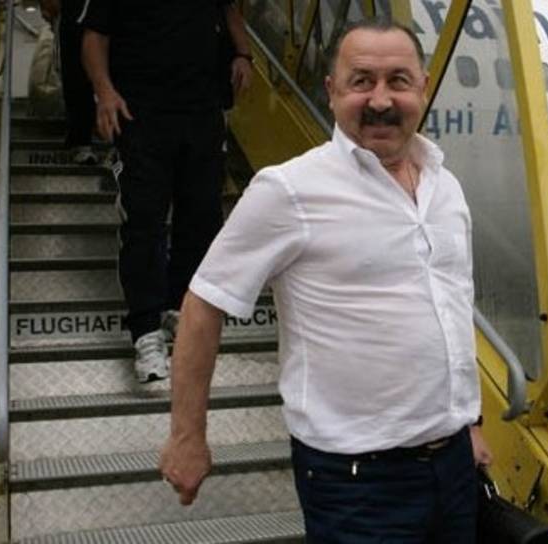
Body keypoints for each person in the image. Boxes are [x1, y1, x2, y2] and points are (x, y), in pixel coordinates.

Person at [160, 18, 494, 543]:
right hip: (356, 482)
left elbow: (449, 308)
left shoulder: (445, 186)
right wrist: (187, 435)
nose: (380, 99)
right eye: (361, 81)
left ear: (423, 89)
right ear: (332, 91)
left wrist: (467, 422)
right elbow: (204, 302)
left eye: (398, 81)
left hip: (454, 466)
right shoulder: (289, 190)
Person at [80, 1, 253, 383]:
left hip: (202, 111)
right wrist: (105, 93)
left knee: (202, 216)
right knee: (143, 221)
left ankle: (181, 309)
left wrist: (244, 54)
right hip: (140, 114)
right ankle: (145, 330)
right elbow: (94, 37)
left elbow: (228, 11)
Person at [38, 0, 97, 164]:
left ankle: (80, 140)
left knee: (75, 77)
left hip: (78, 17)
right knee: (76, 78)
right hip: (79, 16)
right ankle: (80, 140)